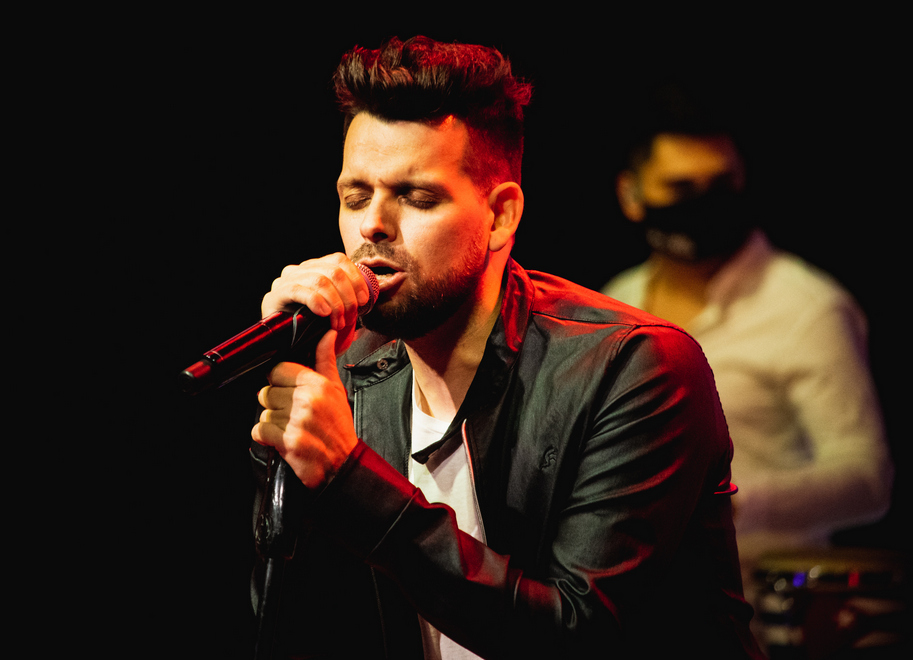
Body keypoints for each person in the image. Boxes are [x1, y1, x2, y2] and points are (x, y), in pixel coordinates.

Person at [248, 37, 763, 658]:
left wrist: (351, 476)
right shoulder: (352, 369)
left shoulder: (633, 368)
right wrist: (291, 417)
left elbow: (578, 635)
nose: (372, 224)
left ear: (500, 216)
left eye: (416, 197)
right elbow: (295, 621)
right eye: (355, 197)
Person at [602, 82, 893, 586]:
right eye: (681, 189)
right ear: (631, 195)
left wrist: (729, 501)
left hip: (761, 609)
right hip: (635, 604)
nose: (706, 205)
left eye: (722, 185)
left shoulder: (807, 307)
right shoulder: (614, 302)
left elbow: (868, 480)